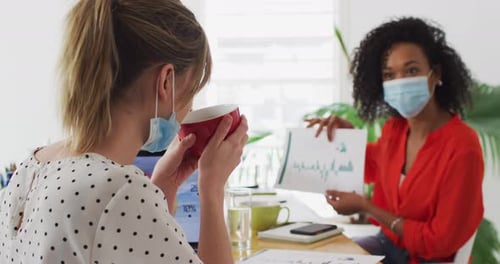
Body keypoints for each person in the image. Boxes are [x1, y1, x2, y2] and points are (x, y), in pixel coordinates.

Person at [0, 1, 248, 263]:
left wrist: (161, 189)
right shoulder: (119, 191)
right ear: (165, 81)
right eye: (190, 92)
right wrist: (212, 190)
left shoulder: (30, 168)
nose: (189, 107)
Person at [306, 17, 484, 263]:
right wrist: (346, 139)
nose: (399, 81)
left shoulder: (462, 147)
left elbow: (439, 243)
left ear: (436, 74)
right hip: (388, 245)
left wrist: (367, 207)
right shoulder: (395, 130)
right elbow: (369, 167)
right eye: (389, 75)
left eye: (411, 70)